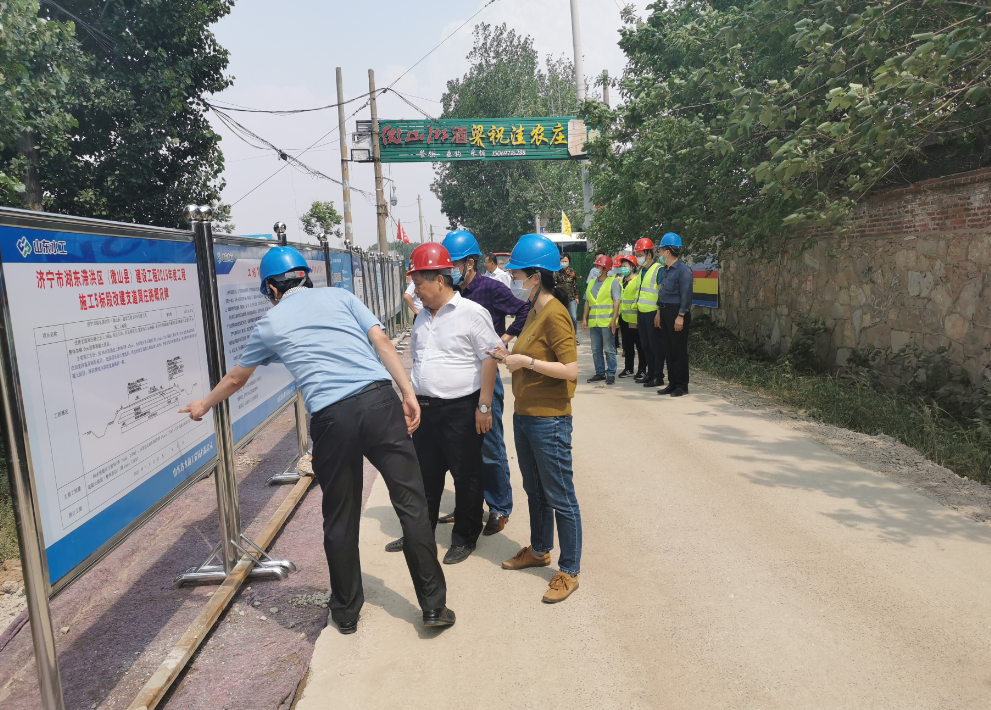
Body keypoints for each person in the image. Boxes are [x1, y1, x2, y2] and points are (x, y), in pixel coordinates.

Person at [178, 246, 453, 634]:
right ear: (305, 276)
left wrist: (203, 405)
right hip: (379, 402)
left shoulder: (270, 323)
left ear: (272, 289)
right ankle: (433, 607)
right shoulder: (340, 296)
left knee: (340, 516)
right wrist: (407, 392)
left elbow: (237, 378)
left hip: (332, 418)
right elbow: (382, 342)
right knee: (411, 504)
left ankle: (346, 612)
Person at [385, 242, 501, 564]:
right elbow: (419, 359)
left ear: (439, 280)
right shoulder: (422, 317)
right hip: (426, 409)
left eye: (418, 284)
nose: (415, 291)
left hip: (461, 409)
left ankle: (465, 536)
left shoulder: (472, 314)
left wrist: (484, 406)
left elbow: (490, 358)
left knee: (466, 476)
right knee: (424, 476)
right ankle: (419, 532)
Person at [488, 233, 582, 604]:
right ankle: (540, 550)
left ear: (536, 276)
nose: (513, 279)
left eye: (517, 274)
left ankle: (569, 570)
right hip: (525, 415)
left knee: (561, 495)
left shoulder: (555, 314)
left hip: (549, 420)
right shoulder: (533, 310)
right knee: (536, 490)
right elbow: (528, 353)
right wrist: (507, 355)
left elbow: (571, 370)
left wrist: (525, 362)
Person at [441, 231, 530, 536]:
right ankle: (469, 505)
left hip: (486, 377)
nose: (449, 270)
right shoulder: (450, 292)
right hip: (458, 381)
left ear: (470, 263)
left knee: (490, 447)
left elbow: (523, 309)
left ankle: (500, 507)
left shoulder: (489, 288)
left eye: (453, 264)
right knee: (462, 450)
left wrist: (503, 339)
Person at [653, 233, 693, 396]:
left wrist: (681, 315)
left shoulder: (683, 271)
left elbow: (686, 295)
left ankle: (682, 386)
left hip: (676, 313)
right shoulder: (666, 270)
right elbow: (662, 293)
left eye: (661, 250)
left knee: (678, 350)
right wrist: (658, 313)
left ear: (667, 252)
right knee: (668, 349)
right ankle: (672, 383)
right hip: (664, 312)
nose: (659, 254)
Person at [581, 253, 621, 385]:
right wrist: (584, 318)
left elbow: (616, 301)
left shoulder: (613, 283)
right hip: (594, 322)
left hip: (607, 322)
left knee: (609, 349)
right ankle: (600, 373)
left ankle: (611, 373)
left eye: (598, 266)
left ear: (605, 269)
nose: (595, 268)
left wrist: (614, 319)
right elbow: (587, 301)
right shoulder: (591, 283)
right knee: (596, 350)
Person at [631, 237, 666, 388]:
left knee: (655, 346)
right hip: (642, 313)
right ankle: (650, 374)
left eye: (640, 255)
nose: (638, 258)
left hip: (653, 313)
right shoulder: (641, 271)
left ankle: (658, 376)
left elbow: (662, 293)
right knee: (645, 346)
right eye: (637, 255)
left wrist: (659, 313)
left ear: (649, 254)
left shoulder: (658, 270)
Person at [616, 254, 644, 379]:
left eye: (625, 266)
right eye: (622, 266)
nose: (623, 268)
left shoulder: (637, 280)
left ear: (632, 267)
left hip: (635, 318)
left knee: (640, 345)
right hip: (623, 318)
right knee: (627, 345)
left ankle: (642, 370)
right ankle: (628, 369)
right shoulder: (621, 281)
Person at [555, 253, 580, 340]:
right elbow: (555, 285)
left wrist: (577, 297)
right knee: (562, 318)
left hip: (572, 298)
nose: (564, 263)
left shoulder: (572, 272)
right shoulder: (557, 272)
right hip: (561, 299)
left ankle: (574, 337)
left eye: (566, 261)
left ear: (569, 261)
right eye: (562, 261)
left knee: (573, 317)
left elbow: (575, 285)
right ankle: (563, 337)